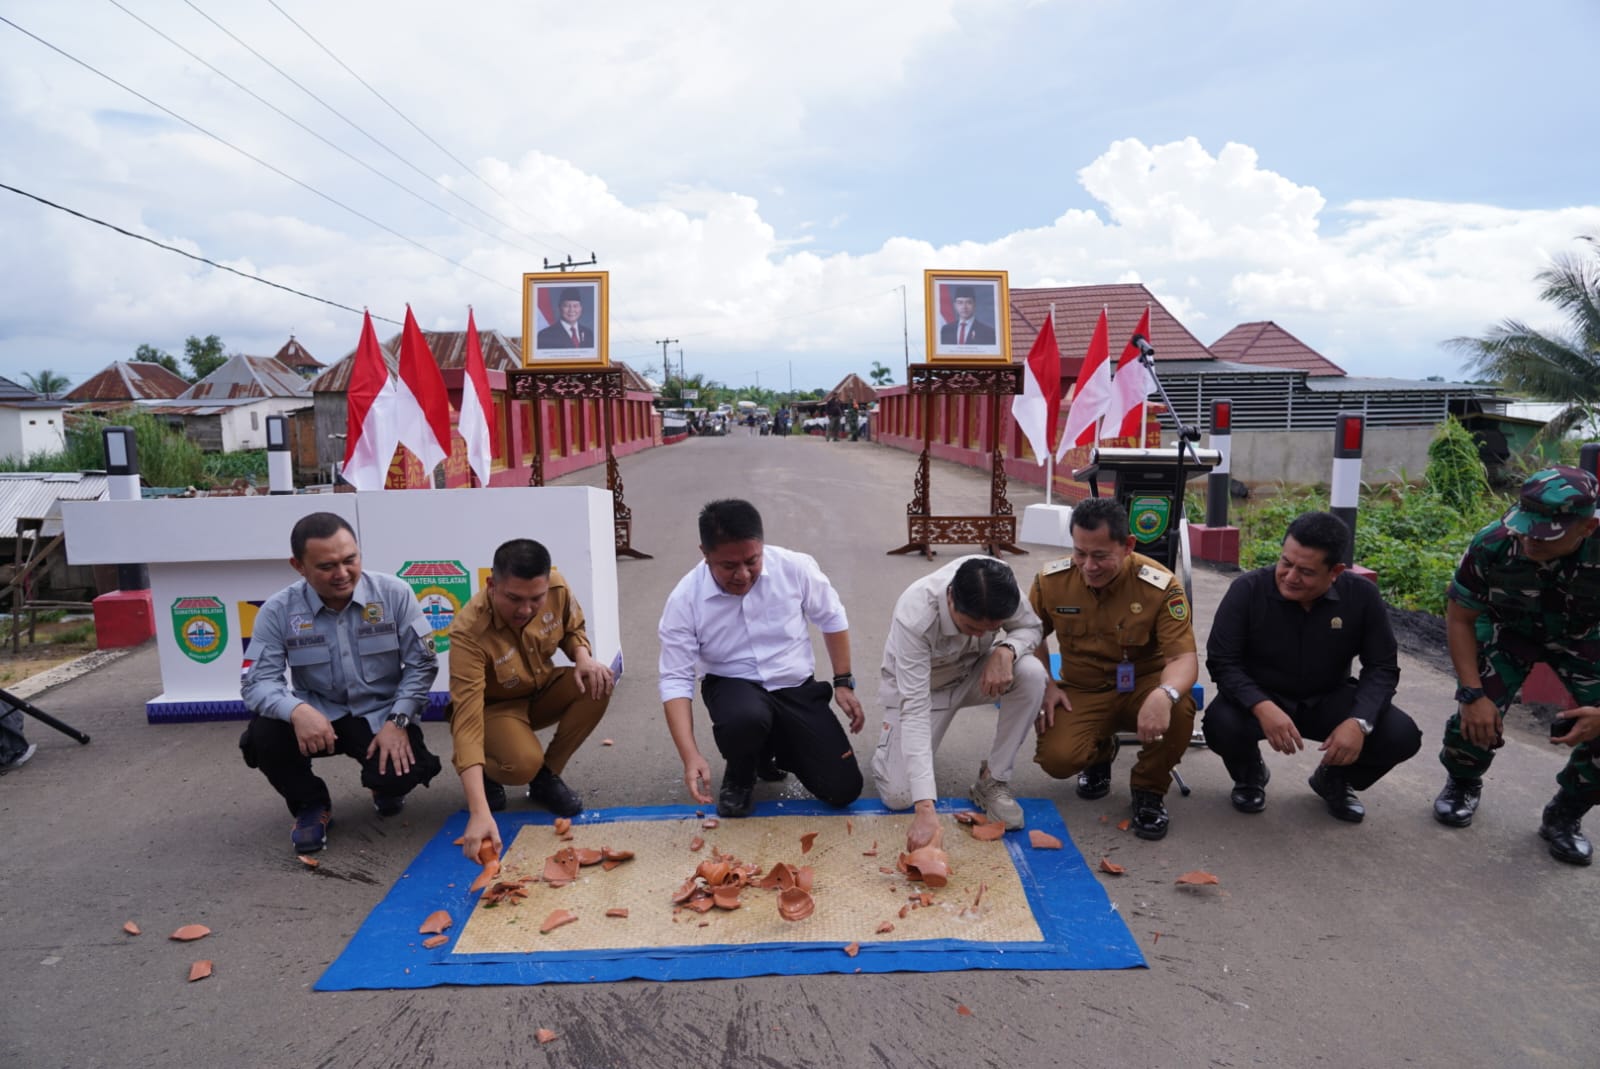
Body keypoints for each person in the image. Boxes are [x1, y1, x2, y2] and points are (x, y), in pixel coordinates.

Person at [239, 512, 443, 854]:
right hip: (320, 717)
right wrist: (297, 710)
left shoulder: (394, 593)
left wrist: (399, 721)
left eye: (350, 560)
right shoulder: (278, 610)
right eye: (326, 566)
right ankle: (311, 805)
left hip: (381, 716)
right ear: (298, 565)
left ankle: (385, 787)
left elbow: (422, 663)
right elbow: (256, 682)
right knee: (264, 737)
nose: (342, 573)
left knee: (401, 775)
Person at [1204, 511, 1422, 822]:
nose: (1290, 577)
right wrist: (1260, 705)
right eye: (1285, 563)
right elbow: (1223, 662)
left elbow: (1382, 668)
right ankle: (1249, 773)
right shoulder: (1247, 590)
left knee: (1401, 735)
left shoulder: (1362, 597)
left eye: (1306, 571)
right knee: (1220, 723)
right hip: (1263, 696)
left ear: (1335, 571)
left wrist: (1359, 721)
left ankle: (1334, 779)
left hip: (1328, 697)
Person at [1433, 466, 1600, 865]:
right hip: (1508, 629)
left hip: (1585, 636)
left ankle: (1565, 814)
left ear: (1588, 528)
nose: (1528, 541)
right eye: (1524, 528)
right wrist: (1471, 693)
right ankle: (1463, 783)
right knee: (1475, 714)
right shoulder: (1493, 543)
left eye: (1544, 536)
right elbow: (1460, 619)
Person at [659, 499, 865, 818]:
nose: (743, 575)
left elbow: (832, 618)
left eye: (752, 560)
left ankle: (773, 748)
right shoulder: (685, 598)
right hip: (733, 687)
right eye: (728, 566)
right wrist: (691, 756)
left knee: (843, 789)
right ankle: (741, 773)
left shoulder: (795, 568)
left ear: (761, 546)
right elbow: (675, 679)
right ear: (705, 553)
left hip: (794, 686)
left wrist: (843, 682)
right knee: (746, 718)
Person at [1029, 498, 1198, 840]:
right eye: (1080, 553)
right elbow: (1028, 633)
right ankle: (1100, 753)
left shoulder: (1160, 586)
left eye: (1100, 556)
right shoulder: (1052, 581)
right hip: (1083, 689)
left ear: (1128, 546)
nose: (1088, 566)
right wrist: (1047, 683)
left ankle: (1149, 790)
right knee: (1057, 760)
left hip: (1142, 687)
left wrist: (1164, 695)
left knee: (1180, 708)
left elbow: (1183, 659)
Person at [448, 539, 613, 858]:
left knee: (598, 681)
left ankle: (546, 777)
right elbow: (466, 723)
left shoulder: (557, 587)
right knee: (520, 764)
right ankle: (487, 770)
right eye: (514, 599)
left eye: (535, 599)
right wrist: (479, 811)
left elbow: (571, 629)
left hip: (540, 690)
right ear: (491, 585)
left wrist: (582, 657)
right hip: (494, 709)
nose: (525, 610)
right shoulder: (468, 633)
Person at [876, 556, 1046, 850]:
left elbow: (1031, 628)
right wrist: (925, 811)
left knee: (1031, 674)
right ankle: (887, 749)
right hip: (925, 692)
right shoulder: (915, 615)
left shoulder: (999, 585)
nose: (981, 634)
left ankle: (992, 780)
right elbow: (915, 709)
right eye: (971, 627)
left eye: (990, 628)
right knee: (899, 796)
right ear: (951, 598)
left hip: (974, 675)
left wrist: (1006, 649)